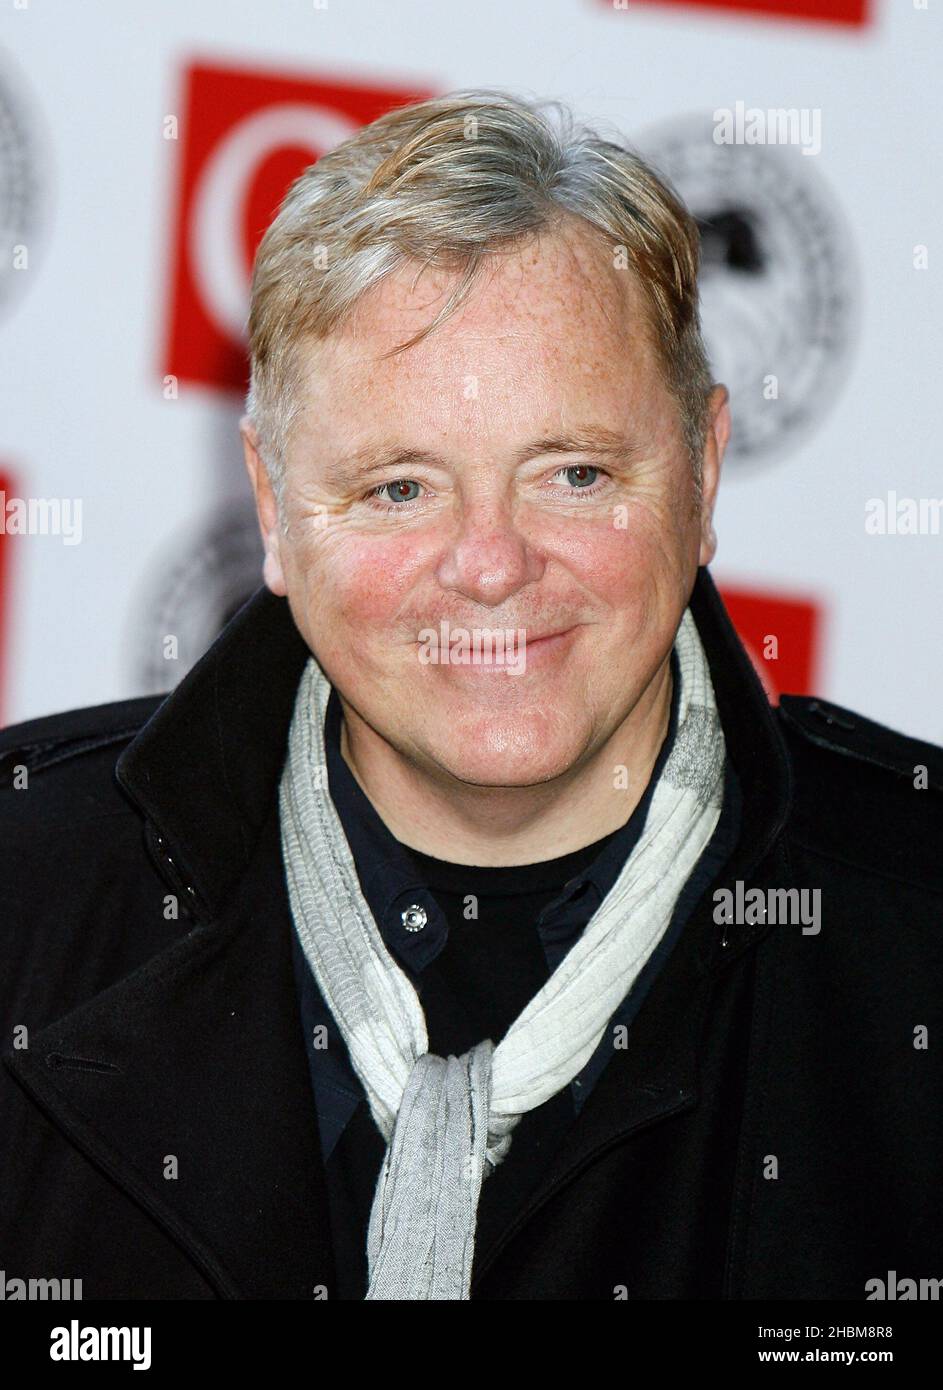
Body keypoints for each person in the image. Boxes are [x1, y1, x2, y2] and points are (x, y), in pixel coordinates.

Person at [2, 90, 941, 1302]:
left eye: (574, 471)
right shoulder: (23, 899)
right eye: (399, 488)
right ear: (274, 507)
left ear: (703, 475)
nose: (492, 565)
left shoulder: (915, 927)